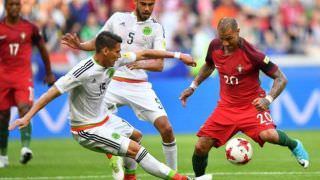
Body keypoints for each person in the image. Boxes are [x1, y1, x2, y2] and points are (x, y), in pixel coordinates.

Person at [9, 31, 195, 180]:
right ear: (105, 51)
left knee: (136, 136)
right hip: (86, 129)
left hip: (104, 120)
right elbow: (51, 93)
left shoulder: (116, 59)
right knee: (135, 150)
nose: (120, 54)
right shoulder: (83, 71)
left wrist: (178, 55)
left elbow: (145, 53)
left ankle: (128, 176)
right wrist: (27, 116)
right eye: (116, 51)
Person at [61, 0, 179, 179]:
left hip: (139, 86)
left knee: (167, 128)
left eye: (151, 5)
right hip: (113, 82)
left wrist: (141, 63)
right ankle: (114, 158)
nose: (147, 9)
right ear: (135, 3)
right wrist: (81, 46)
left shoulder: (156, 28)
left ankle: (174, 173)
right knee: (99, 121)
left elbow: (159, 64)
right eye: (144, 4)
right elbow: (99, 42)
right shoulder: (117, 19)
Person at [179, 17, 310, 178]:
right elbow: (209, 64)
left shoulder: (253, 54)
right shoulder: (214, 46)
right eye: (222, 39)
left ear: (238, 32)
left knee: (270, 135)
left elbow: (281, 78)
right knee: (200, 146)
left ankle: (294, 144)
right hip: (226, 108)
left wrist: (267, 99)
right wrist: (193, 86)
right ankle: (200, 178)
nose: (225, 43)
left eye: (229, 38)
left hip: (251, 106)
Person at [0, 0, 55, 168]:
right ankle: (3, 156)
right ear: (6, 6)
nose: (15, 7)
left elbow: (43, 49)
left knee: (25, 107)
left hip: (23, 76)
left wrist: (49, 72)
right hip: (2, 76)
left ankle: (25, 148)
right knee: (2, 117)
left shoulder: (30, 27)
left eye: (17, 4)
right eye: (11, 4)